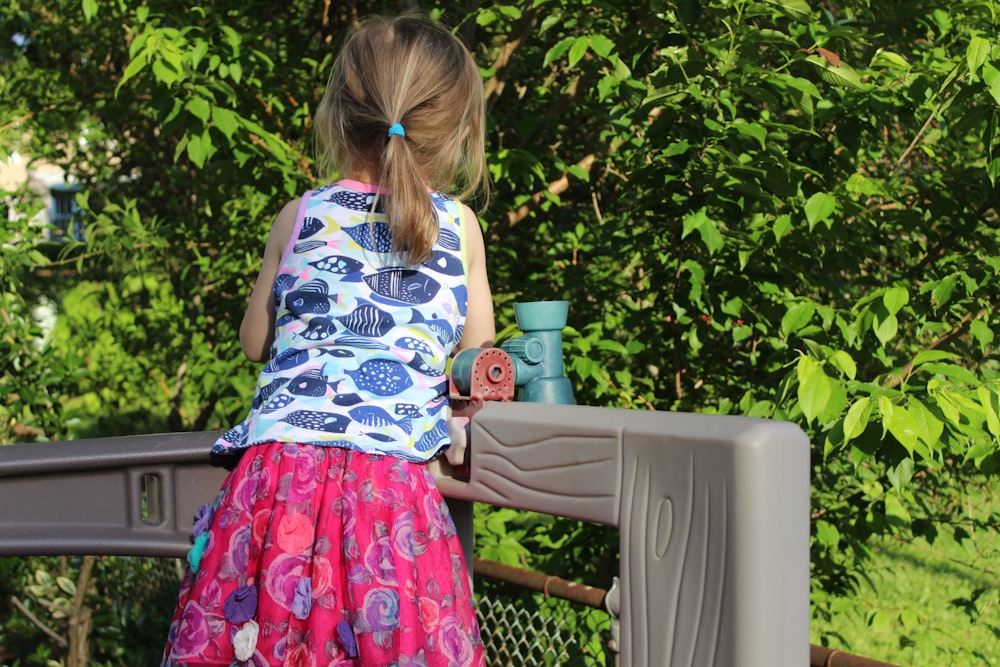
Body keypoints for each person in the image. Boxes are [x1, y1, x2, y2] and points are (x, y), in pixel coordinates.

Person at [161, 13, 494, 667]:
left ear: (340, 117)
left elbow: (254, 340)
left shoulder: (302, 214)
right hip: (392, 498)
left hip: (277, 488)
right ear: (460, 131)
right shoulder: (460, 228)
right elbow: (475, 356)